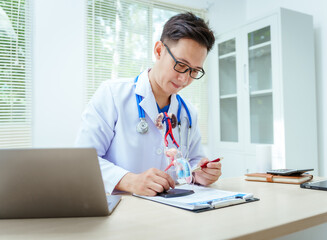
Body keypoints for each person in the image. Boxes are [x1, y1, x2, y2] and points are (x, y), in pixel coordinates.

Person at [75, 12, 221, 196]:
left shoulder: (188, 112)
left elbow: (194, 163)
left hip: (174, 212)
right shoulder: (112, 95)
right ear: (159, 50)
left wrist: (202, 174)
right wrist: (129, 180)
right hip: (122, 212)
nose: (184, 78)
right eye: (181, 65)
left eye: (194, 71)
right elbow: (83, 161)